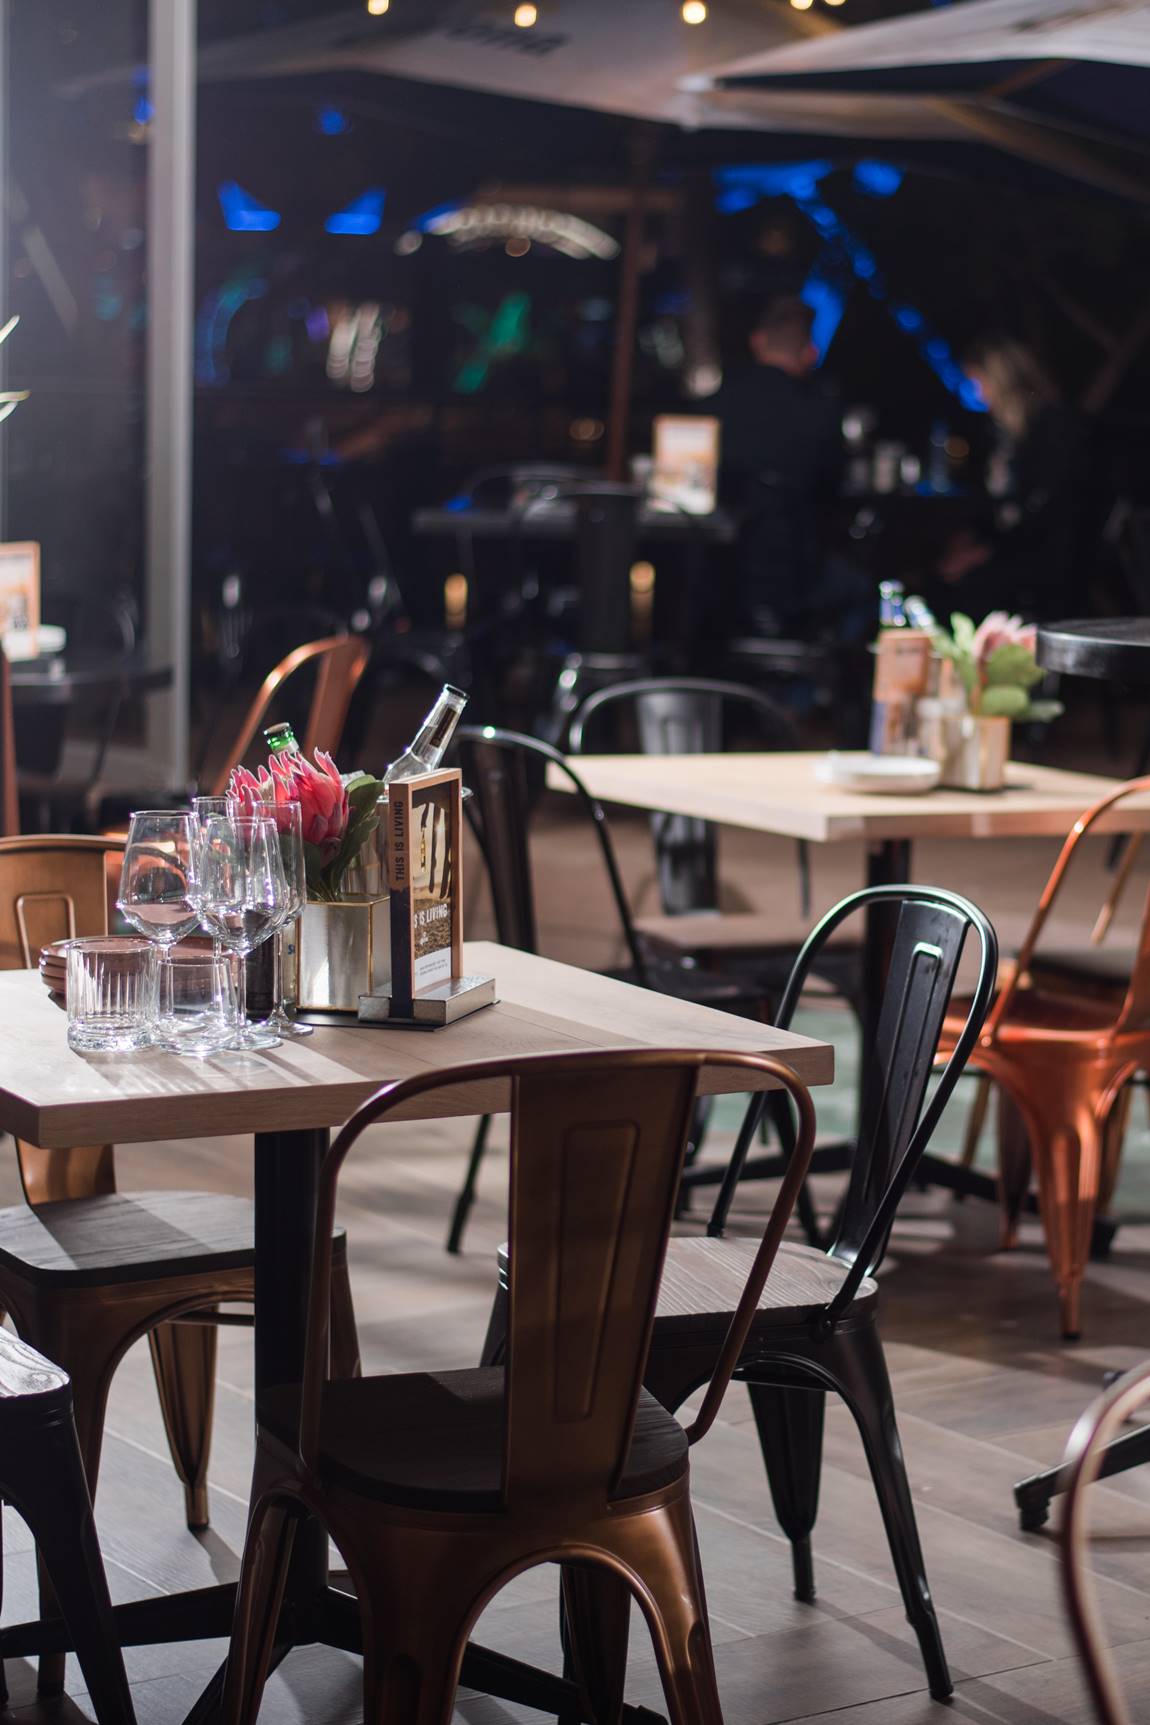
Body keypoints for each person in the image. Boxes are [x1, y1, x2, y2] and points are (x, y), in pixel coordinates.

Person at [717, 295, 864, 639]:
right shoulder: (821, 413)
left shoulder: (712, 408)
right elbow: (835, 490)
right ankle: (824, 672)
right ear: (810, 353)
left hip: (723, 580)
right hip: (799, 577)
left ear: (757, 341)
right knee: (864, 592)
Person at [934, 335, 1093, 621]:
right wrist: (970, 539)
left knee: (969, 586)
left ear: (1000, 380)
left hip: (1047, 554)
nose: (977, 393)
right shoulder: (1002, 433)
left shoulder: (1052, 427)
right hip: (1014, 546)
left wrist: (984, 553)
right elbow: (996, 505)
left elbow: (1045, 512)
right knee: (940, 573)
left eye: (978, 382)